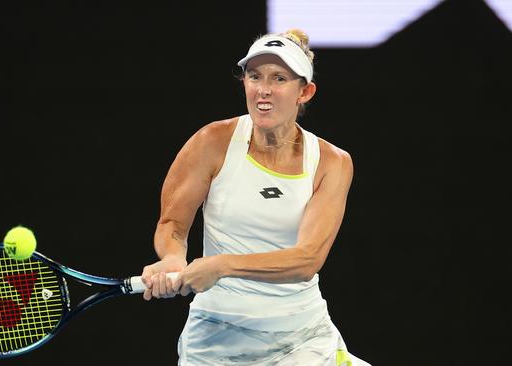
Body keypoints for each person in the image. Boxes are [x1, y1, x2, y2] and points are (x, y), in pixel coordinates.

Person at [141, 28, 370, 366]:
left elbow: (307, 260)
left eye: (279, 79)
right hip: (215, 340)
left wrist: (222, 265)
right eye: (254, 76)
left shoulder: (332, 162)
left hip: (302, 339)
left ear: (304, 92)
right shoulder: (211, 142)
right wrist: (173, 257)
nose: (263, 89)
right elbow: (173, 224)